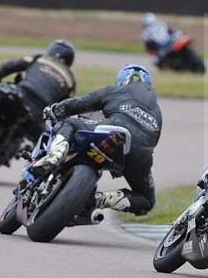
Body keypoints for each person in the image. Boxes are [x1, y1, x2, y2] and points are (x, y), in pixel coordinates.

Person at [33, 64, 161, 216]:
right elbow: (153, 140)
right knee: (147, 200)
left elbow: (80, 103)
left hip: (112, 130)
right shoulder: (157, 111)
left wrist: (55, 109)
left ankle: (55, 156)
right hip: (141, 154)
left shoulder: (115, 91)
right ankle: (101, 199)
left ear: (122, 81)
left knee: (70, 123)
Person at [0, 40, 76, 139]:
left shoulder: (40, 59)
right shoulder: (70, 80)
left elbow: (10, 66)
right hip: (39, 111)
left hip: (21, 93)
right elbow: (64, 107)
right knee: (44, 142)